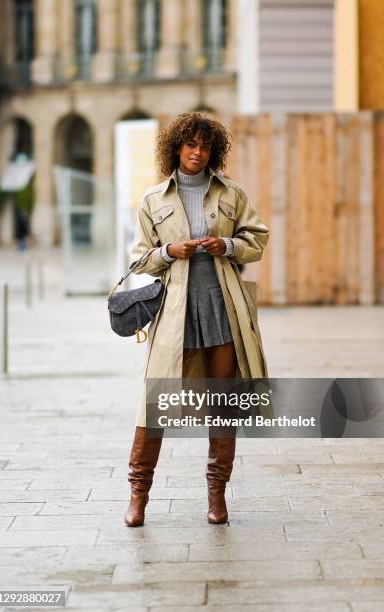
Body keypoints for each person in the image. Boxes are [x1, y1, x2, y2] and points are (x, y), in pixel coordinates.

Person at [125, 112, 269, 527]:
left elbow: (256, 239)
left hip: (223, 308)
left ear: (213, 151)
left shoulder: (231, 193)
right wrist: (170, 252)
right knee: (155, 404)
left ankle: (217, 497)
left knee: (223, 404)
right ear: (176, 147)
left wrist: (226, 243)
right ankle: (138, 495)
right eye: (190, 144)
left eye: (205, 146)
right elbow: (139, 259)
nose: (197, 152)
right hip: (175, 314)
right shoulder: (153, 199)